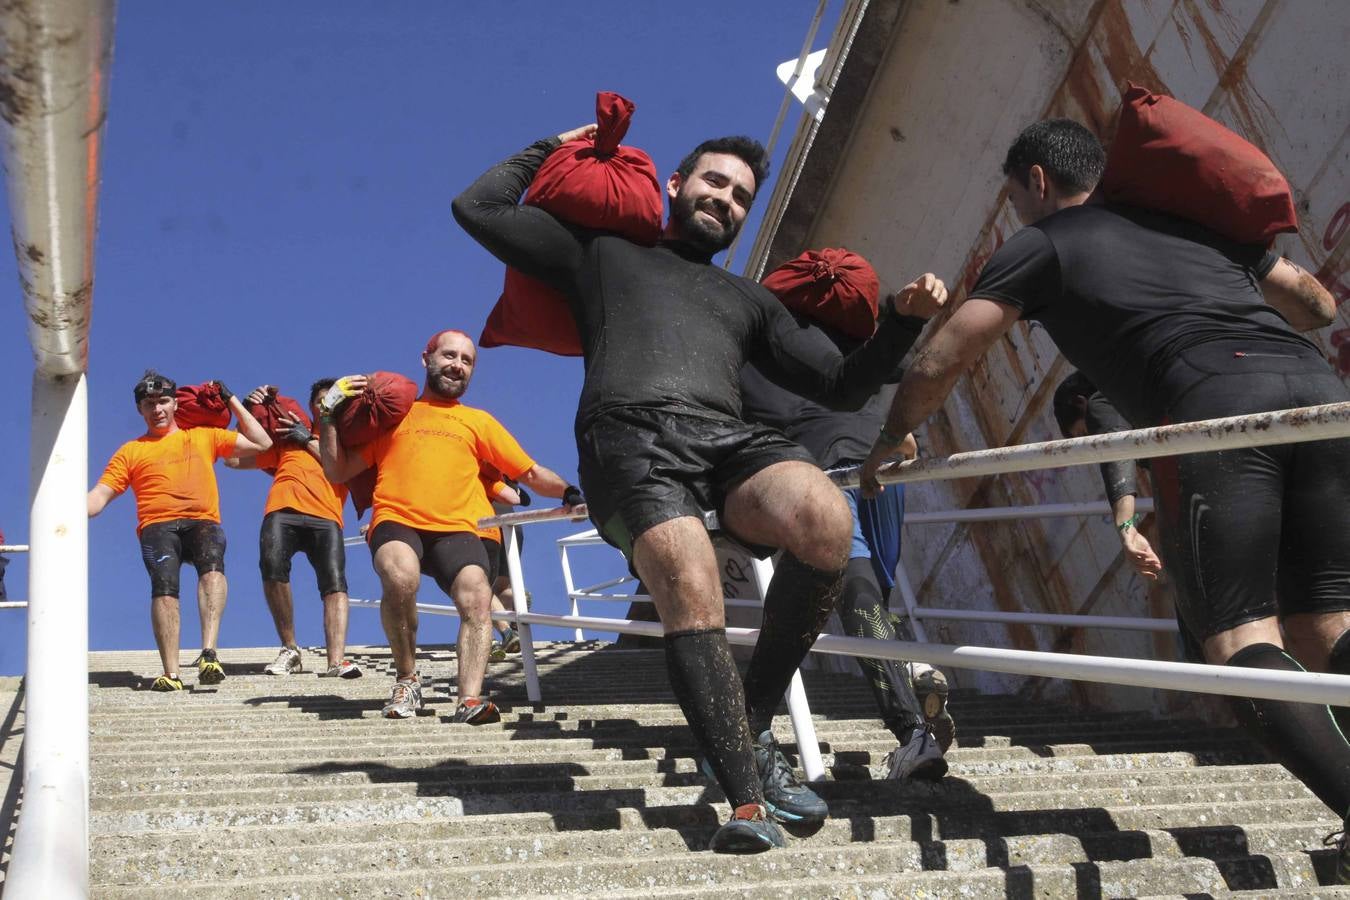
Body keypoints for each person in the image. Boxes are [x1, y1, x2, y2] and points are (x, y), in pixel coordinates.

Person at [859, 118, 1350, 882]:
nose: (1021, 210)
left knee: (1235, 643)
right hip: (1317, 394)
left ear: (1038, 181)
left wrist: (894, 436)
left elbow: (945, 353)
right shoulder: (1187, 221)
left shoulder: (1046, 242)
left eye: (1018, 196)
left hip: (1209, 407)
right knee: (1327, 627)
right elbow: (1315, 305)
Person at [454, 125, 946, 853]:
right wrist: (549, 145)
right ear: (676, 185)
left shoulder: (748, 300)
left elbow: (841, 385)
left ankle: (745, 723)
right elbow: (478, 207)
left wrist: (900, 325)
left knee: (824, 516)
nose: (727, 199)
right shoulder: (600, 255)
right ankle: (747, 804)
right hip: (629, 438)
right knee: (691, 579)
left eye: (743, 196)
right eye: (715, 182)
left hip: (724, 440)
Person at [318, 330, 580, 724]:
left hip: (460, 526)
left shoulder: (477, 421)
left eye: (467, 360)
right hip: (397, 517)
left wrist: (571, 493)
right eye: (449, 355)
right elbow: (337, 469)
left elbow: (529, 471)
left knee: (477, 597)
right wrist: (327, 415)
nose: (457, 365)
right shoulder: (394, 416)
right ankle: (407, 679)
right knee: (400, 576)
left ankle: (469, 700)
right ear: (426, 359)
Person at [740, 304, 955, 781]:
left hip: (824, 469)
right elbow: (907, 364)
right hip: (880, 460)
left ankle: (911, 731)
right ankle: (911, 667)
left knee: (855, 590)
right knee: (874, 592)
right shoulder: (834, 335)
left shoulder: (745, 356)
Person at [87, 371, 273, 690]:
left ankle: (209, 653)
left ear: (174, 404)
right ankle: (171, 673)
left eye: (162, 401)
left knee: (212, 570)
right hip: (157, 525)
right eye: (149, 404)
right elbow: (100, 494)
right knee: (164, 587)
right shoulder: (131, 451)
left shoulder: (203, 435)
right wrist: (60, 516)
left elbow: (262, 442)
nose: (157, 409)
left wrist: (230, 399)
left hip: (202, 519)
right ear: (140, 410)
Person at [224, 380, 363, 679]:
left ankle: (336, 660)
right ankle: (290, 649)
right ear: (312, 406)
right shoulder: (287, 440)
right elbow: (233, 459)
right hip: (282, 509)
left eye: (335, 399)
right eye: (322, 400)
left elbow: (340, 465)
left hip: (326, 516)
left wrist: (307, 440)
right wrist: (247, 412)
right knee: (272, 568)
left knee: (334, 583)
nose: (328, 404)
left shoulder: (350, 445)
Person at [1051, 373, 1161, 581]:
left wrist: (1127, 527)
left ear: (1081, 402)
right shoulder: (1138, 404)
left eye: (1085, 433)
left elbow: (1116, 454)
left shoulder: (1099, 404)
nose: (1094, 443)